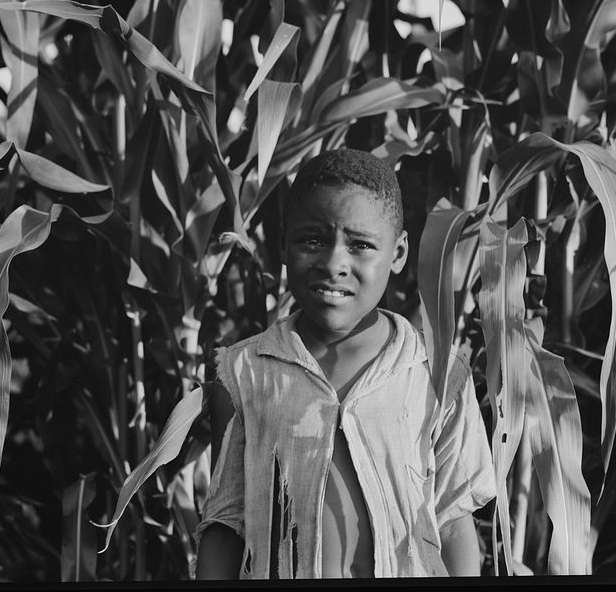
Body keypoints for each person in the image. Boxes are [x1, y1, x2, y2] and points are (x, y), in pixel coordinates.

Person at [194, 148, 495, 579]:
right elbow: (225, 523)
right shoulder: (243, 372)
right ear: (283, 243)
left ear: (397, 253)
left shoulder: (438, 372)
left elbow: (453, 522)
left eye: (361, 245)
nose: (335, 263)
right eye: (313, 240)